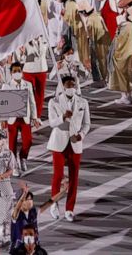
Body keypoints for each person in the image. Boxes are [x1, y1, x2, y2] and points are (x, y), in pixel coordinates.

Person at [47, 76, 90, 221]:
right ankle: (54, 204)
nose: (71, 86)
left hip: (75, 142)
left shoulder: (83, 102)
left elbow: (87, 124)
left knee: (74, 177)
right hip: (58, 141)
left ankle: (69, 209)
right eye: (68, 84)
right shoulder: (54, 102)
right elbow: (52, 123)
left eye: (73, 84)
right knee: (58, 175)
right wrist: (63, 117)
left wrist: (81, 135)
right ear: (63, 86)